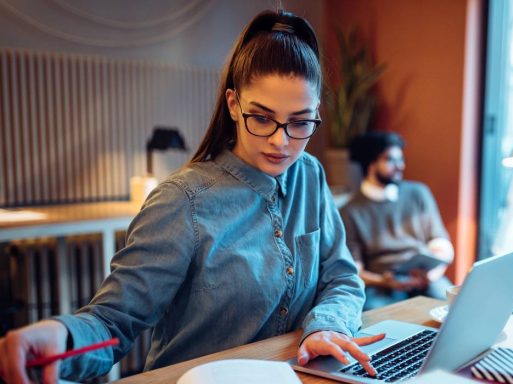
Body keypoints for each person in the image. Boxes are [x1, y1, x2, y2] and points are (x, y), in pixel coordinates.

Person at [0, 10, 384, 383]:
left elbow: (341, 277)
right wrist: (61, 335)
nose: (280, 141)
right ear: (234, 105)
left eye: (300, 122)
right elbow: (114, 320)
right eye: (262, 118)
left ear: (316, 112)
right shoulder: (183, 201)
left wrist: (326, 327)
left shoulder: (310, 176)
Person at [340, 132, 454, 310]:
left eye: (401, 159)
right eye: (391, 160)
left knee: (451, 309)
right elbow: (355, 270)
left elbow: (442, 244)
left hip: (425, 278)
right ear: (370, 163)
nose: (401, 166)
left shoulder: (418, 193)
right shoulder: (349, 211)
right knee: (376, 317)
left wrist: (431, 275)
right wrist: (384, 282)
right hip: (382, 286)